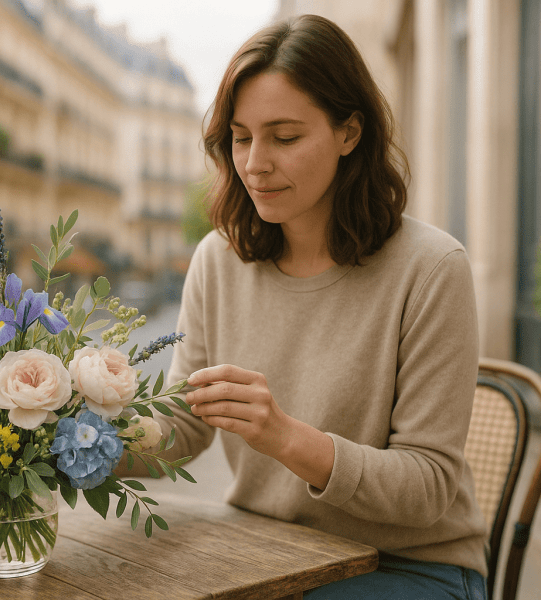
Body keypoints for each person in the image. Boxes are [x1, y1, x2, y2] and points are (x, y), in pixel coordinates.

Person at [138, 14, 488, 599]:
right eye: (241, 137)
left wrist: (286, 438)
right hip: (266, 556)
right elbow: (182, 426)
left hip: (406, 567)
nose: (255, 163)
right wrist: (72, 433)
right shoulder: (217, 259)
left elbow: (428, 487)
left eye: (285, 137)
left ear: (349, 133)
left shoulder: (431, 268)